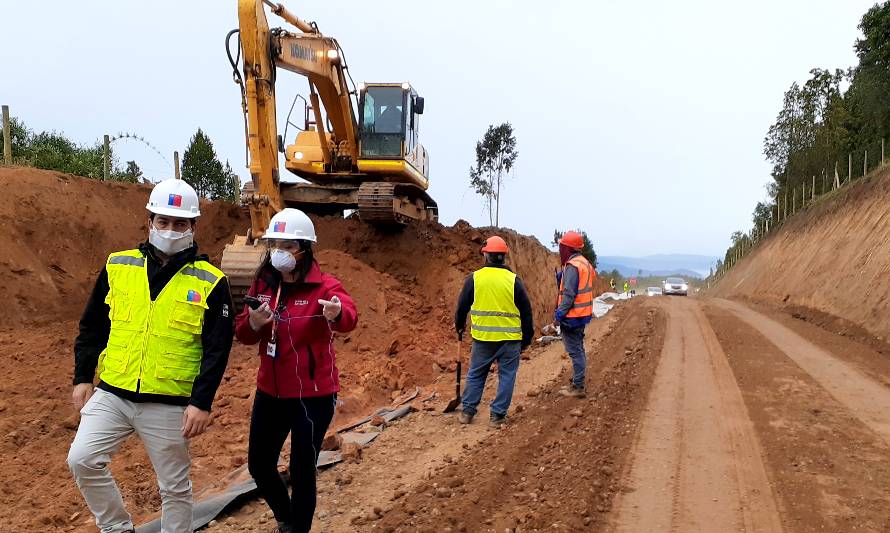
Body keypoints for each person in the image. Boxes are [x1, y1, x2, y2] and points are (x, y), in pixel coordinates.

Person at [68, 178, 234, 533]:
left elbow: (218, 349)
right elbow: (93, 325)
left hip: (170, 403)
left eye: (179, 224)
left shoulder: (210, 280)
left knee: (174, 488)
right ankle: (116, 527)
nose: (170, 230)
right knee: (81, 459)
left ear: (193, 227)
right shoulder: (118, 265)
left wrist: (201, 403)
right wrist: (83, 376)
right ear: (150, 222)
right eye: (163, 221)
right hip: (113, 391)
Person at [235, 208, 357, 533]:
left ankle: (297, 529)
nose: (280, 252)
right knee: (259, 465)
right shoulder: (264, 284)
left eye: (288, 246)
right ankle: (287, 519)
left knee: (303, 470)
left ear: (304, 248)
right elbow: (243, 334)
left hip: (312, 397)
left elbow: (350, 317)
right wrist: (253, 322)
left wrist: (336, 313)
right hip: (270, 393)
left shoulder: (324, 285)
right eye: (276, 244)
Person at [454, 236, 534, 426]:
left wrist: (459, 325)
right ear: (504, 257)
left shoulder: (474, 278)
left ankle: (467, 412)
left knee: (476, 374)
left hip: (483, 339)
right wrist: (527, 339)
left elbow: (462, 307)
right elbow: (526, 312)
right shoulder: (514, 281)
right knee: (507, 376)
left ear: (486, 256)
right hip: (510, 341)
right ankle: (497, 415)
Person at [555, 231, 595, 398]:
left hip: (572, 316)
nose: (560, 250)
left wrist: (559, 315)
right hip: (582, 314)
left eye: (562, 247)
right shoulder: (585, 263)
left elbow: (569, 295)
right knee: (578, 348)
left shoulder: (573, 266)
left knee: (575, 351)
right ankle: (578, 381)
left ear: (568, 248)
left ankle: (578, 386)